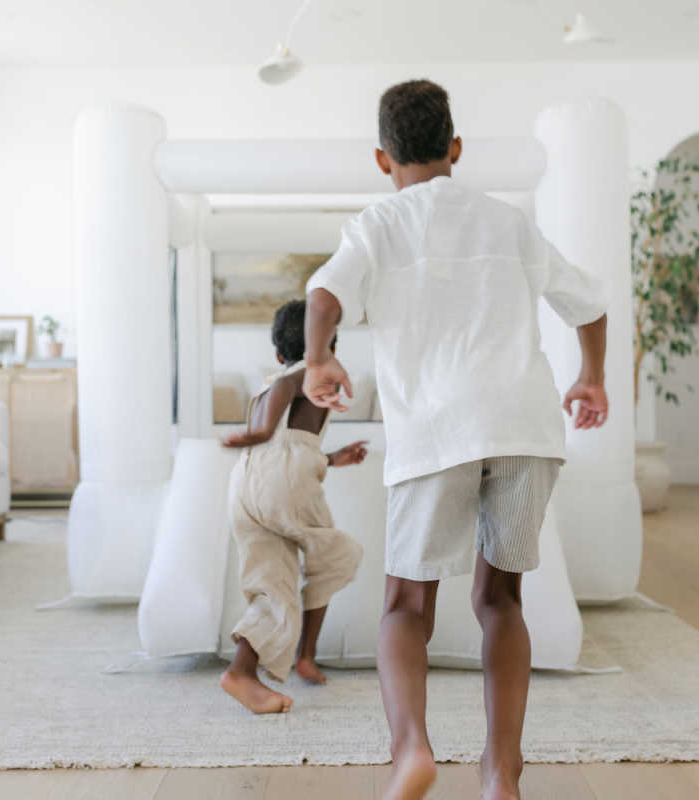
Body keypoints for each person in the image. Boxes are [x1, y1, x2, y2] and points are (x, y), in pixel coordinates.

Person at [303, 80, 609, 799]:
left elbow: (323, 296)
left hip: (436, 432)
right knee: (500, 600)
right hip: (524, 428)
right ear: (457, 148)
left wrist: (320, 357)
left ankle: (412, 747)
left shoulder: (377, 224)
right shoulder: (508, 223)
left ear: (383, 159)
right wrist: (590, 377)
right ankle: (502, 771)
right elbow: (588, 302)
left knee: (406, 606)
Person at [220, 299, 367, 715]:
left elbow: (289, 450)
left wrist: (334, 458)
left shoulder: (264, 388)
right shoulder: (303, 375)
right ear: (328, 350)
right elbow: (284, 443)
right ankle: (305, 653)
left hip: (246, 491)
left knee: (274, 584)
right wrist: (261, 432)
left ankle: (242, 673)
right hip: (281, 485)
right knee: (336, 556)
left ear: (277, 352)